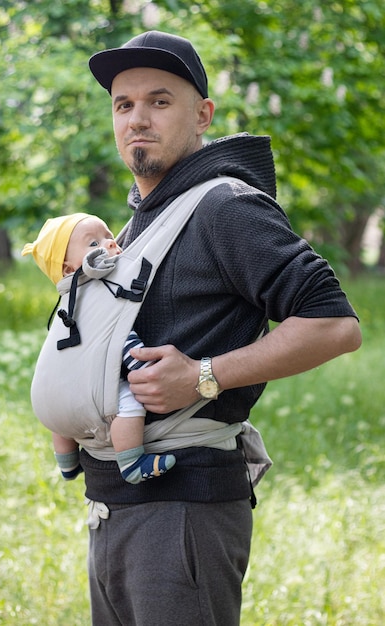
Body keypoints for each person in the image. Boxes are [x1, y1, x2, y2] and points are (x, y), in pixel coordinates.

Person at [54, 30, 360, 626]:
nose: (138, 119)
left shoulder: (223, 207)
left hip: (182, 514)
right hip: (117, 507)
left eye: (159, 101)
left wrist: (204, 376)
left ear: (202, 115)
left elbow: (334, 324)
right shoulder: (144, 220)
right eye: (124, 105)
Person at [22, 212, 176, 484]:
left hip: (50, 402)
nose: (110, 244)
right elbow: (116, 335)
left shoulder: (66, 302)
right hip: (84, 394)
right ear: (69, 269)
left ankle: (67, 463)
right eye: (93, 244)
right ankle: (131, 462)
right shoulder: (101, 291)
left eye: (109, 236)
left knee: (61, 412)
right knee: (129, 401)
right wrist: (142, 365)